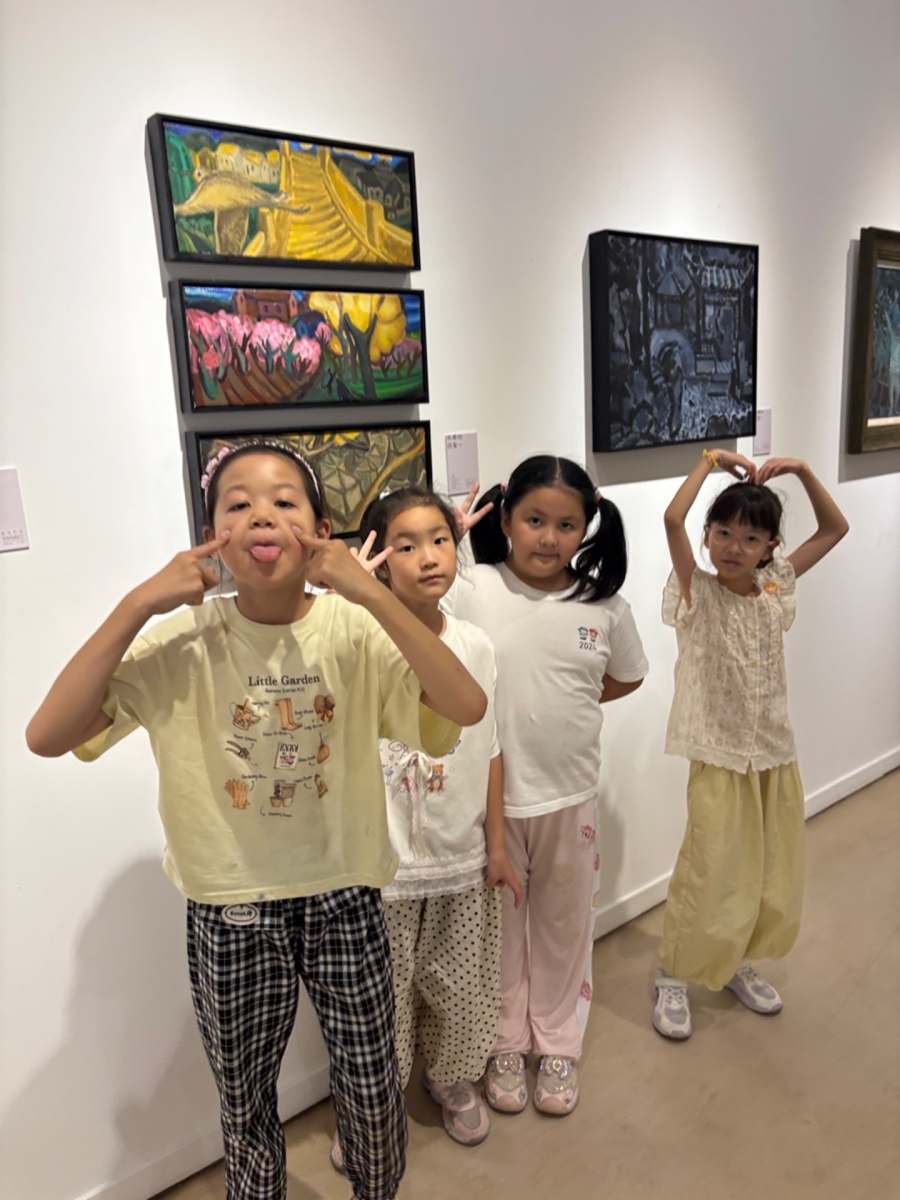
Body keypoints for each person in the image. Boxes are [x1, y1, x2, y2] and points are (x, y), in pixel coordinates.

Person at [26, 441, 487, 1200]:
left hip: (346, 894)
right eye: (238, 504)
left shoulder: (353, 630)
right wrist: (138, 603)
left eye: (283, 501)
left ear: (322, 531)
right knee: (244, 1106)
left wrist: (369, 595)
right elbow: (47, 735)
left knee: (373, 1093)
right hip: (230, 904)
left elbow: (464, 705)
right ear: (212, 537)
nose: (261, 516)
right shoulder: (180, 641)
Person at [328, 485, 521, 1167]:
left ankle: (451, 1078)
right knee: (377, 1002)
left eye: (440, 540)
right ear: (378, 558)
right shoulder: (351, 640)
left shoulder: (475, 645)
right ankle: (372, 1104)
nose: (428, 557)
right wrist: (345, 596)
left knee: (461, 986)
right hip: (379, 867)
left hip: (459, 856)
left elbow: (490, 747)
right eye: (405, 546)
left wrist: (496, 845)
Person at [450, 456, 649, 1116]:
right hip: (491, 803)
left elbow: (625, 676)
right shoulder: (475, 585)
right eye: (534, 520)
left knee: (564, 928)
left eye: (567, 525)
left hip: (569, 797)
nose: (549, 537)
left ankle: (558, 1044)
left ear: (587, 527)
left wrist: (570, 701)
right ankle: (506, 1042)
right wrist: (447, 538)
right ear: (506, 518)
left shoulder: (605, 606)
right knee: (500, 934)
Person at [653, 449, 849, 1040]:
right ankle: (672, 973)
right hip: (717, 755)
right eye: (723, 533)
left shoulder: (773, 586)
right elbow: (671, 518)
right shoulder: (697, 591)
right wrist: (710, 461)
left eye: (751, 537)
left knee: (763, 869)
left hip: (772, 752)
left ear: (770, 547)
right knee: (709, 868)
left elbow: (835, 529)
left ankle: (735, 959)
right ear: (708, 535)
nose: (733, 547)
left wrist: (804, 472)